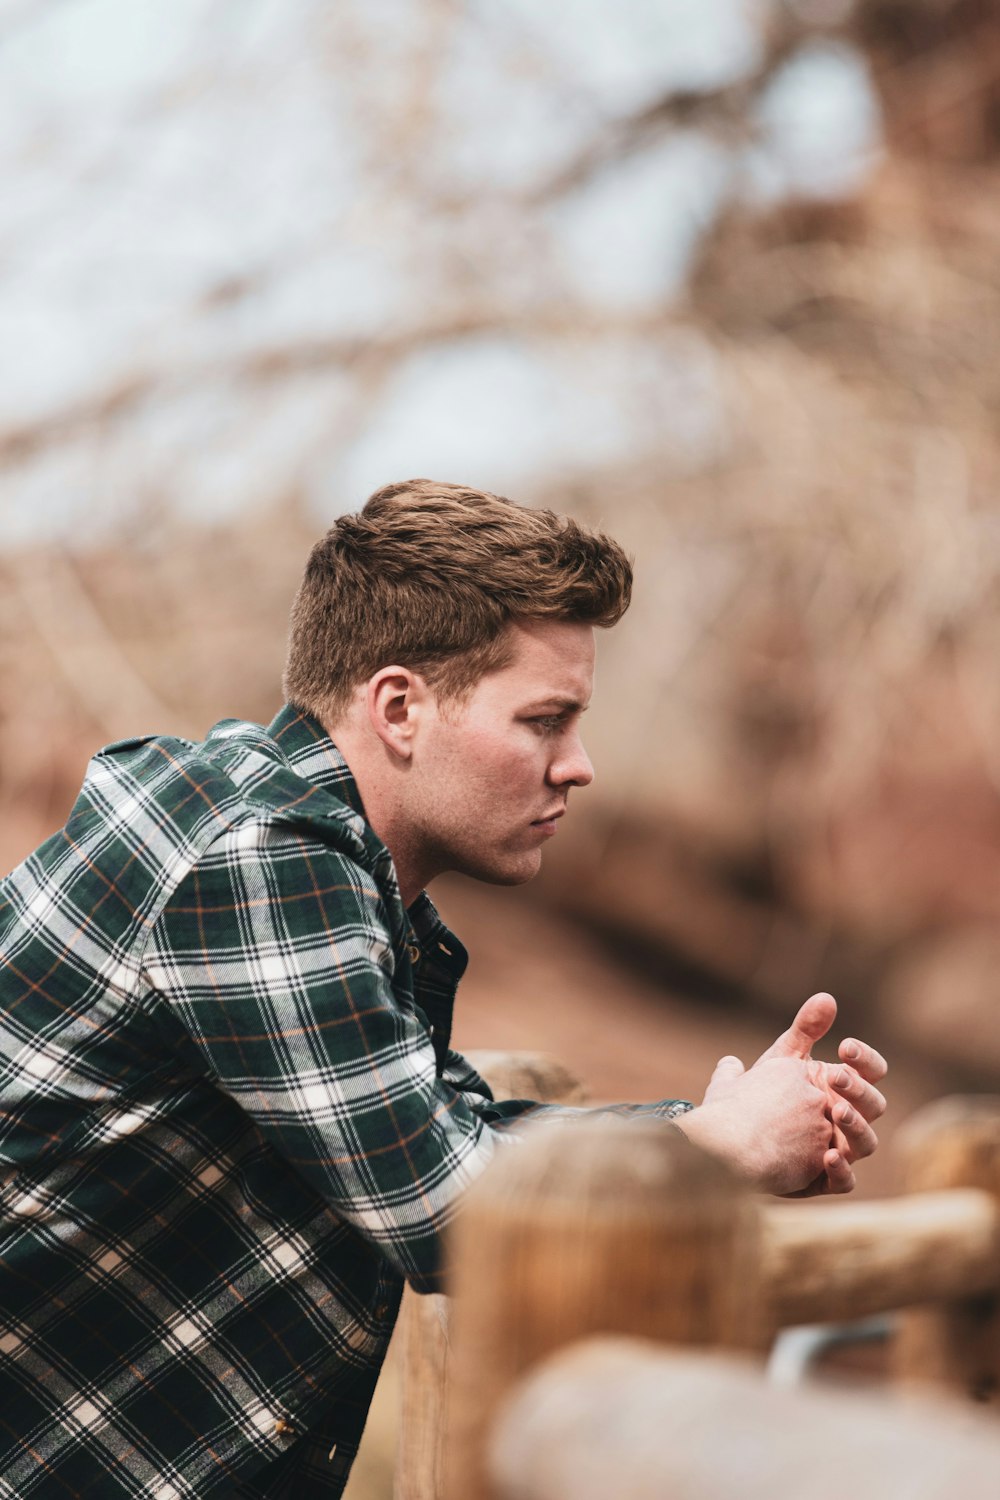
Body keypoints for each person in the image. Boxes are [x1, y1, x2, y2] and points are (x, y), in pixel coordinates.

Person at [0, 479, 886, 1499]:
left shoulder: (303, 851)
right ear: (399, 708)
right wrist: (716, 1152)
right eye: (544, 720)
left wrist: (709, 1124)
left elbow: (442, 1130)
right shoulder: (256, 861)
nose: (580, 767)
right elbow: (442, 1207)